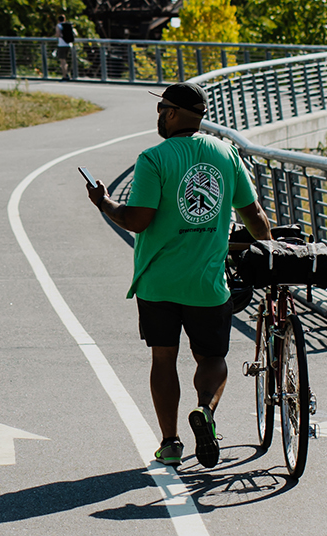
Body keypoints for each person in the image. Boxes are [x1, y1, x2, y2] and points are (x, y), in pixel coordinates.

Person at [87, 81, 272, 470]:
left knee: (163, 359)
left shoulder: (153, 158)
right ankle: (205, 410)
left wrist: (104, 202)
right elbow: (253, 215)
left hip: (158, 282)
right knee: (212, 357)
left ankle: (170, 443)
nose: (158, 116)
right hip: (206, 282)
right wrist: (270, 251)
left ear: (171, 114)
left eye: (160, 110)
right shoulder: (227, 154)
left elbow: (137, 219)